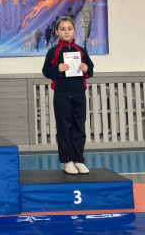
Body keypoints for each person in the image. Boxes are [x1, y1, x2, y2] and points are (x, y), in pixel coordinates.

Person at [42, 16, 94, 175]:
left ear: (74, 30)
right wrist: (57, 69)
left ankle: (78, 160)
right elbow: (46, 71)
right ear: (57, 32)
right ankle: (67, 161)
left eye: (69, 29)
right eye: (62, 29)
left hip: (79, 94)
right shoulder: (53, 51)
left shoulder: (81, 51)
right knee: (64, 127)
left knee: (79, 127)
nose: (66, 32)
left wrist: (86, 69)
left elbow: (90, 69)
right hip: (62, 94)